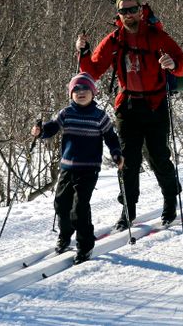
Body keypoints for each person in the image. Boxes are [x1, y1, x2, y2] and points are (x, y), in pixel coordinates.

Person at [76, 0, 183, 230]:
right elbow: (92, 72)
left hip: (156, 104)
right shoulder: (115, 40)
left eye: (132, 9)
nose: (128, 14)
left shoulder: (157, 36)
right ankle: (128, 209)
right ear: (119, 14)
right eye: (123, 11)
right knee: (127, 161)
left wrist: (174, 64)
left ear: (141, 10)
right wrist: (83, 52)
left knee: (159, 157)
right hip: (127, 106)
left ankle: (170, 201)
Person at [32, 72, 123, 264]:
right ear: (71, 94)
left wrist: (116, 153)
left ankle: (85, 245)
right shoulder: (66, 113)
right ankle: (65, 236)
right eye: (76, 90)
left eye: (85, 89)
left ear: (93, 92)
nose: (81, 93)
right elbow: (53, 127)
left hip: (88, 169)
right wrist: (41, 131)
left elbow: (111, 137)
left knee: (79, 208)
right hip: (67, 167)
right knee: (60, 204)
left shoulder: (100, 116)